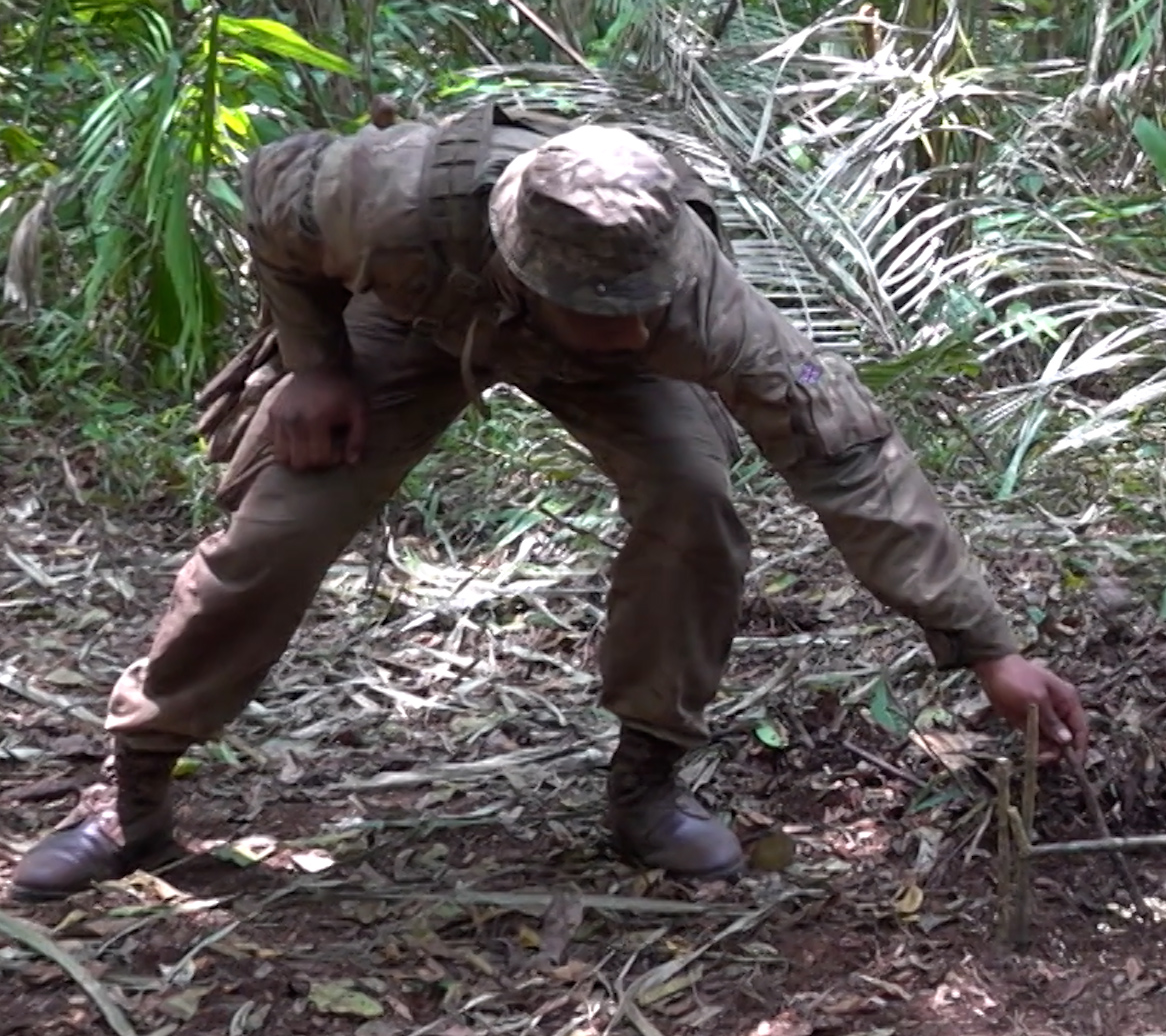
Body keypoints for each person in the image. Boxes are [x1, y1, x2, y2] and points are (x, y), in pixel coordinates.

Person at [7, 104, 1091, 903]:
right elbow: (271, 202)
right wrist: (315, 364)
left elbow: (850, 461)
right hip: (423, 322)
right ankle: (135, 791)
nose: (631, 328)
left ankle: (647, 785)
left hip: (578, 358)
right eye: (601, 309)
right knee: (277, 533)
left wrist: (985, 645)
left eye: (645, 305)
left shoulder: (701, 306)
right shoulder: (388, 198)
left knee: (695, 497)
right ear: (523, 268)